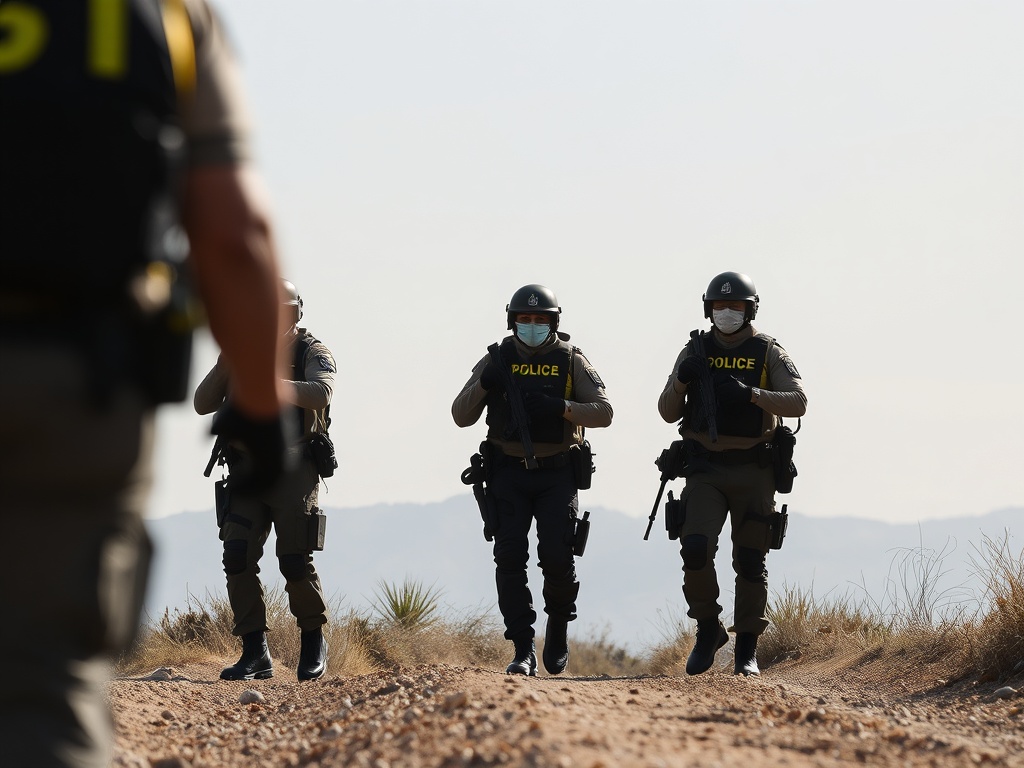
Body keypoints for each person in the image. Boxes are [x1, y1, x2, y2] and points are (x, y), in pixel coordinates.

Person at [0, 2, 288, 767]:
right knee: (40, 694)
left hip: (83, 378)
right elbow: (232, 234)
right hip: (74, 386)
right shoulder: (166, 16)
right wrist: (262, 414)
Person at [453, 284, 613, 676]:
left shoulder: (571, 359)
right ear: (513, 321)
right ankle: (522, 647)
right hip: (507, 473)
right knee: (509, 558)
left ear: (553, 322)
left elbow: (604, 412)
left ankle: (557, 627)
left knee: (557, 558)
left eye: (540, 320)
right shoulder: (497, 358)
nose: (531, 325)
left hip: (557, 473)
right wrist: (486, 382)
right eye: (524, 319)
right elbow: (460, 414)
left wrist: (562, 407)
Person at [658, 271, 807, 677]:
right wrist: (681, 380)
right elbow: (667, 411)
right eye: (720, 307)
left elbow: (798, 402)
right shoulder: (695, 349)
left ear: (750, 309)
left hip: (754, 468)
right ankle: (708, 629)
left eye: (736, 307)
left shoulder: (768, 351)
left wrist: (753, 395)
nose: (726, 313)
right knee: (695, 548)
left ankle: (746, 650)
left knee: (751, 558)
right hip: (705, 467)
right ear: (709, 310)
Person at [195, 279, 336, 682]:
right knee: (236, 554)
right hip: (245, 469)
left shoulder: (311, 351)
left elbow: (321, 392)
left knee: (294, 558)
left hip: (295, 467)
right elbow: (203, 403)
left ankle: (313, 640)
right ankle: (255, 651)